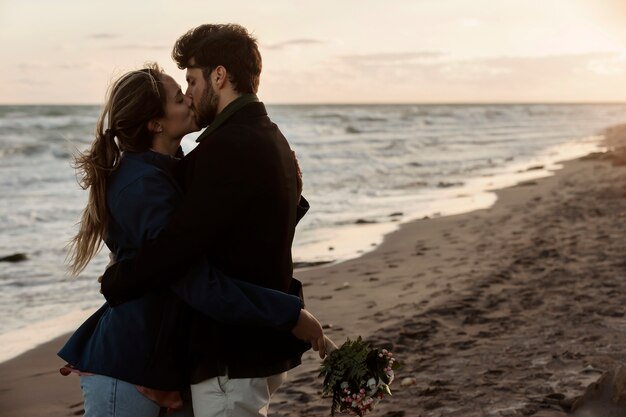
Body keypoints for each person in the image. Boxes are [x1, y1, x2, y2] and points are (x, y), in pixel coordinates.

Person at [59, 63, 325, 417]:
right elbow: (194, 278)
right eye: (178, 96)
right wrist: (287, 313)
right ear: (156, 123)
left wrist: (285, 198)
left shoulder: (173, 168)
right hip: (130, 363)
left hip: (167, 360)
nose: (190, 99)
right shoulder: (141, 185)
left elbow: (219, 236)